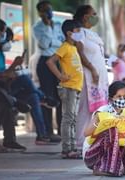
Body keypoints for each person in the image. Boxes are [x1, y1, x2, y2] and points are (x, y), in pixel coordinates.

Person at [0, 27, 60, 145]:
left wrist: (15, 70)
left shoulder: (1, 54)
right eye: (8, 39)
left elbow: (5, 73)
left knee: (33, 97)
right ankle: (43, 98)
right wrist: (14, 66)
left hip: (8, 86)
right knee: (24, 79)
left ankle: (41, 135)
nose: (9, 43)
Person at [83, 81, 125, 176]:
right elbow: (86, 133)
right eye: (119, 96)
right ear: (111, 99)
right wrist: (99, 120)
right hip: (93, 156)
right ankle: (103, 168)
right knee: (113, 130)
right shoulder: (102, 111)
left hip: (118, 155)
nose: (122, 99)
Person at [73, 5, 109, 151]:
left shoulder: (94, 35)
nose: (96, 16)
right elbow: (79, 52)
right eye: (93, 14)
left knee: (98, 111)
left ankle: (93, 139)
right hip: (87, 76)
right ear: (85, 17)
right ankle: (80, 142)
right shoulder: (78, 32)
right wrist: (92, 68)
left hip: (100, 78)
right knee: (84, 109)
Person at [46, 20, 84, 158]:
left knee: (72, 118)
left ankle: (72, 147)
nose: (80, 34)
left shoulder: (74, 48)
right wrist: (60, 76)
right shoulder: (65, 47)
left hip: (75, 87)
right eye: (78, 31)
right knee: (68, 118)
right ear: (69, 33)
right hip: (68, 88)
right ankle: (67, 149)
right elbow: (50, 61)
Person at [33, 0, 64, 138]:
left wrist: (54, 42)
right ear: (40, 13)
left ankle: (62, 129)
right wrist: (47, 27)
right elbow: (45, 45)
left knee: (61, 96)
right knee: (47, 97)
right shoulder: (38, 27)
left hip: (59, 61)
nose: (48, 12)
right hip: (45, 62)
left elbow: (63, 42)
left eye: (49, 9)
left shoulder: (58, 25)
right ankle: (48, 131)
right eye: (45, 10)